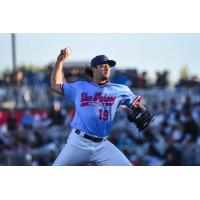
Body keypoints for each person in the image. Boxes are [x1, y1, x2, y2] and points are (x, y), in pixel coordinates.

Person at [51, 48, 153, 166]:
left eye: (109, 66)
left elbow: (137, 104)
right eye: (103, 65)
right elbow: (55, 85)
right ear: (94, 69)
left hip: (101, 145)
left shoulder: (120, 89)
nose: (107, 67)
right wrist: (60, 62)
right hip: (78, 142)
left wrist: (142, 109)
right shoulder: (80, 87)